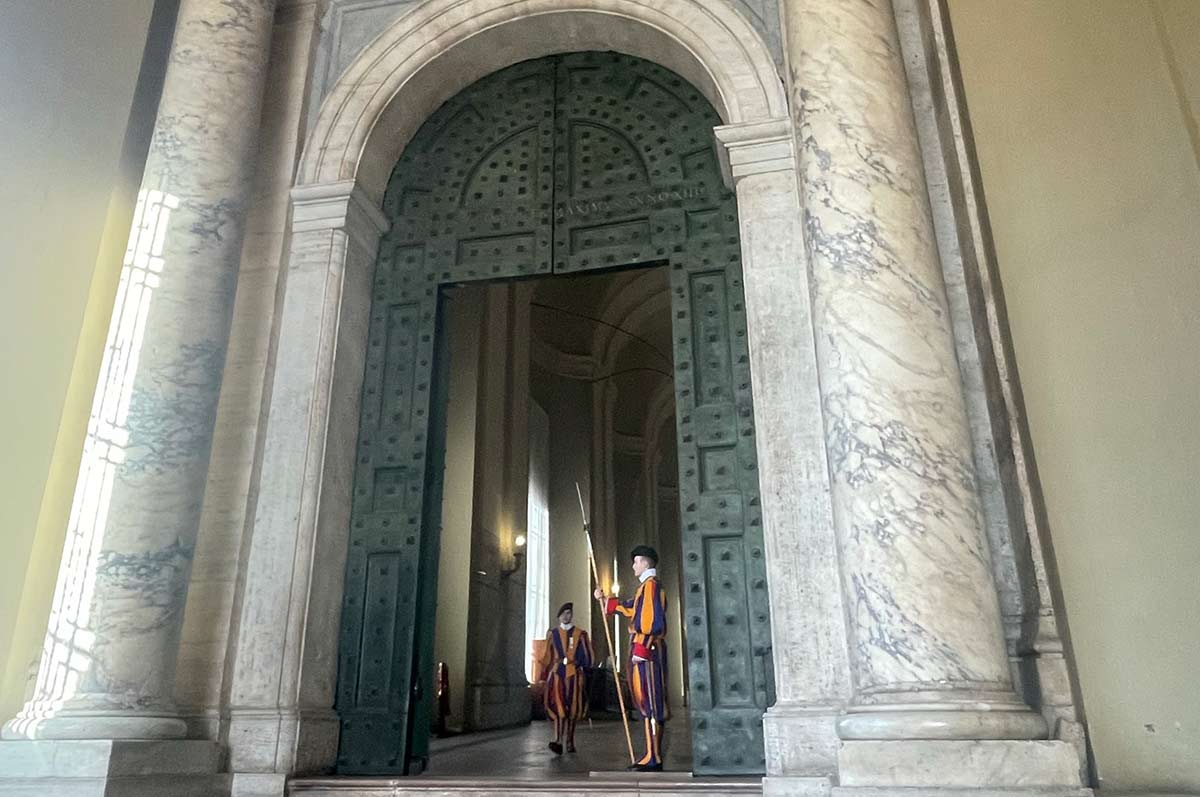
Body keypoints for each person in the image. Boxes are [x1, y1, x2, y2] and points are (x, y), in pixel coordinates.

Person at [595, 544, 667, 772]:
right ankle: (651, 753)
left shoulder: (651, 587)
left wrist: (641, 650)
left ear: (645, 562)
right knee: (647, 703)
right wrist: (605, 600)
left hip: (647, 653)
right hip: (644, 652)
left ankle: (653, 756)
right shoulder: (644, 589)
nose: (633, 566)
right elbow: (630, 608)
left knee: (651, 704)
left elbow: (652, 624)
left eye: (636, 561)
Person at [539, 602, 593, 755]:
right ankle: (557, 740)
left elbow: (587, 656)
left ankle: (569, 740)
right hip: (557, 675)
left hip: (574, 675)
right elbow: (546, 656)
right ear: (559, 616)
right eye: (563, 613)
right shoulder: (553, 634)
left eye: (568, 613)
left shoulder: (580, 635)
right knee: (558, 708)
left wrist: (579, 664)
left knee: (572, 709)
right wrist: (543, 676)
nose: (566, 616)